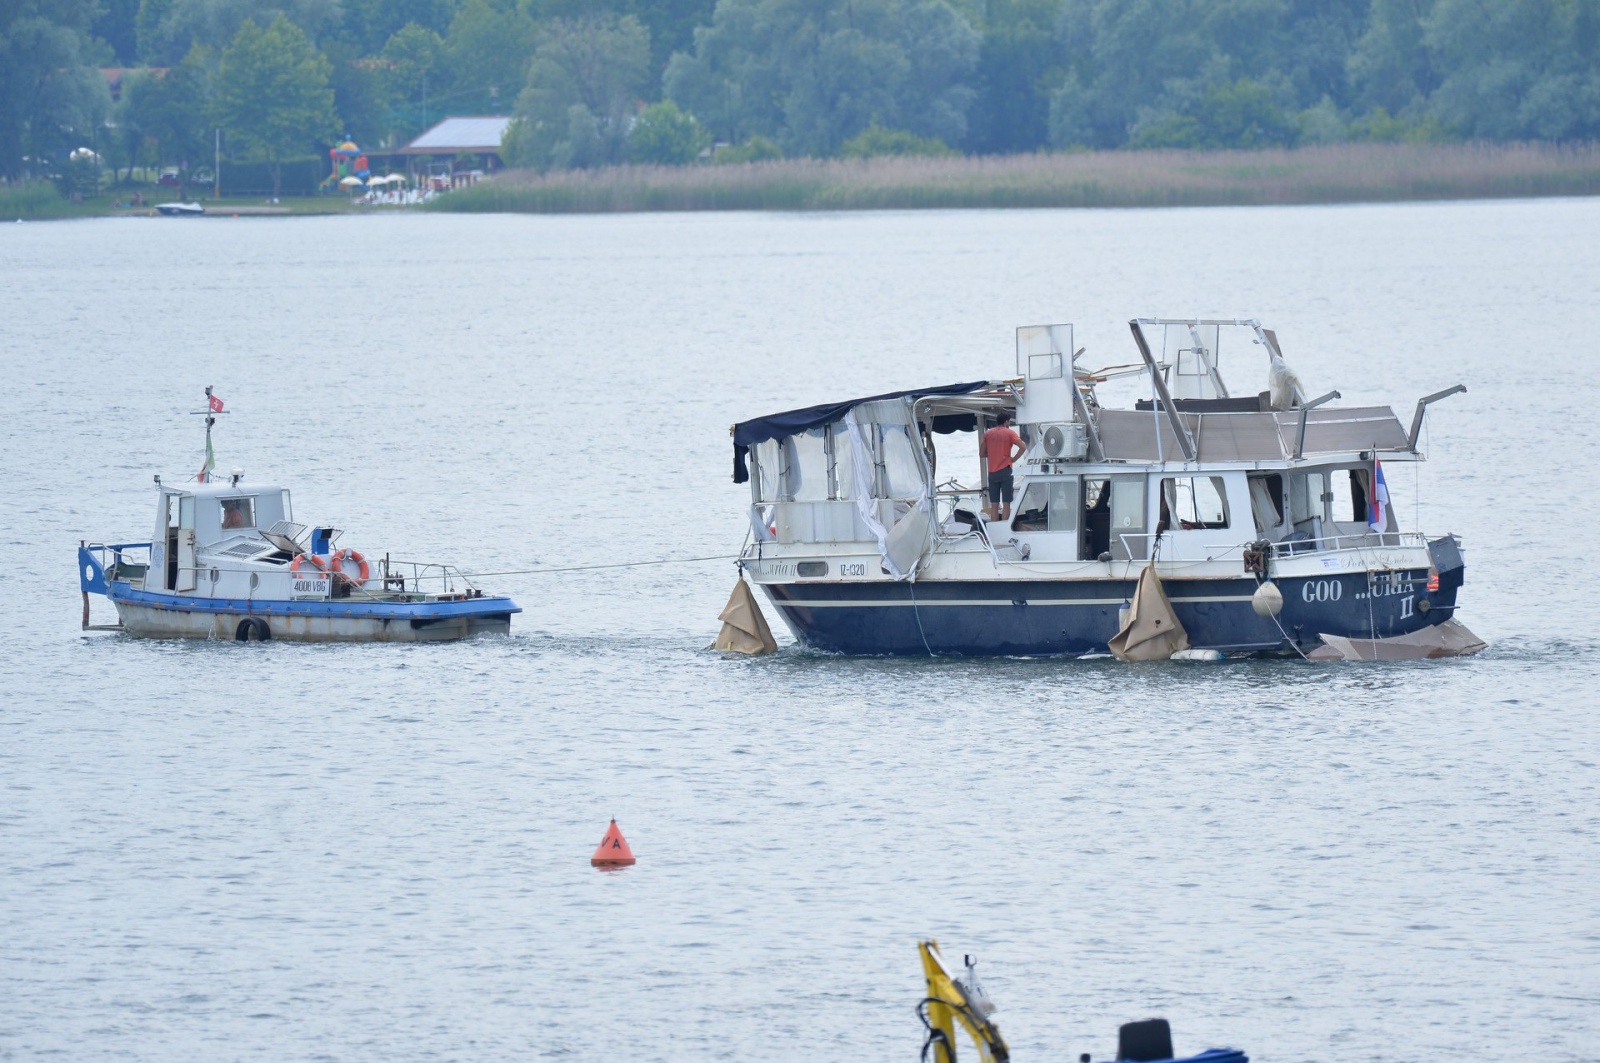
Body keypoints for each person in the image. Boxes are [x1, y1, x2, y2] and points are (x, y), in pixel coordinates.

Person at [981, 411, 1025, 522]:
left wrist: (992, 454)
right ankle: (1004, 528)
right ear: (1006, 422)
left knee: (994, 504)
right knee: (1006, 503)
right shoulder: (1009, 433)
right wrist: (1014, 458)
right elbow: (1023, 447)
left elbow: (981, 453)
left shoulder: (988, 434)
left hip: (992, 472)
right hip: (1005, 470)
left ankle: (994, 528)